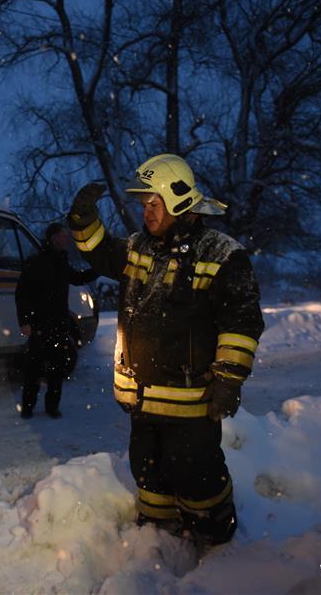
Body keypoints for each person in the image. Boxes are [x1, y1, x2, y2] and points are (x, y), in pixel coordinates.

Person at [66, 154, 264, 546]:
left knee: (197, 475)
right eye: (143, 205)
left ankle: (215, 538)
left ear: (179, 200)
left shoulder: (222, 254)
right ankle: (160, 538)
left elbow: (241, 323)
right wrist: (83, 218)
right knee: (149, 472)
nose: (146, 214)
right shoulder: (141, 247)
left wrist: (227, 379)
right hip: (143, 400)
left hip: (192, 402)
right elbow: (100, 251)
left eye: (153, 204)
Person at [15, 223, 98, 419]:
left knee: (57, 369)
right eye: (62, 236)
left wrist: (99, 269)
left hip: (59, 324)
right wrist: (24, 321)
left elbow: (77, 278)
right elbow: (23, 293)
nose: (66, 239)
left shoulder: (61, 261)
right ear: (53, 237)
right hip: (40, 325)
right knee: (34, 369)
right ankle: (28, 407)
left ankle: (52, 407)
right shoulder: (36, 262)